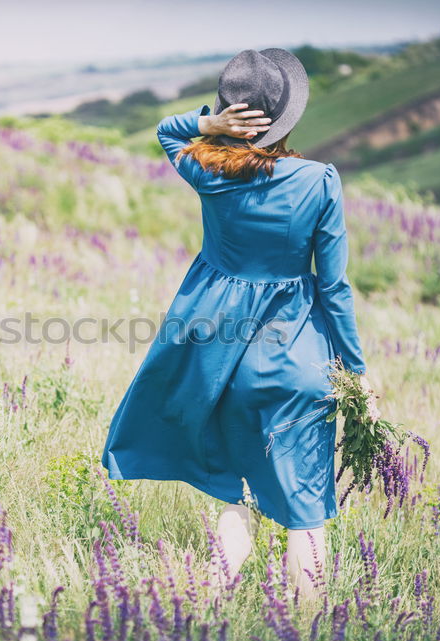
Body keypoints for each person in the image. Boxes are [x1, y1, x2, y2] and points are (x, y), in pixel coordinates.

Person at [100, 48, 372, 602]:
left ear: (233, 114)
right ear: (285, 118)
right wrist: (357, 369)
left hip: (222, 359)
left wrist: (208, 125)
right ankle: (309, 638)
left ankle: (212, 614)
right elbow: (335, 287)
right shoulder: (319, 182)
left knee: (234, 495)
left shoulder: (208, 172)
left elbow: (166, 131)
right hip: (299, 359)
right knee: (306, 514)